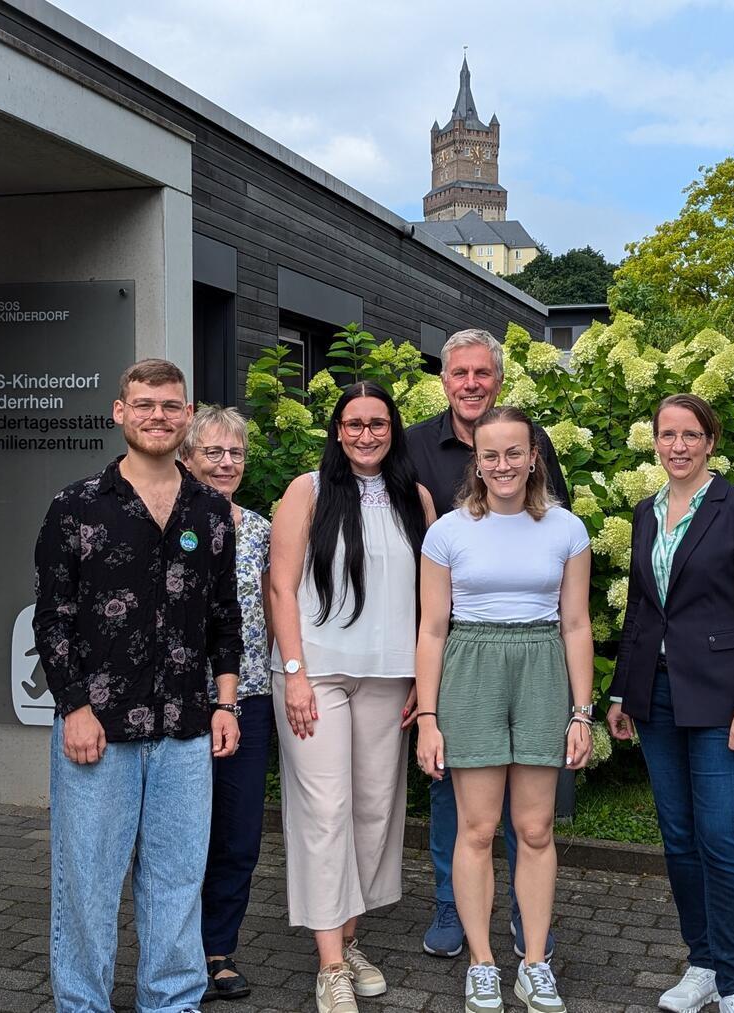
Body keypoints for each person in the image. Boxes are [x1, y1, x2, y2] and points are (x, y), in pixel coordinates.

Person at [33, 358, 242, 1013]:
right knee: (87, 882)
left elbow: (223, 614)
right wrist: (73, 707)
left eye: (170, 405)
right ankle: (82, 1002)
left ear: (186, 416)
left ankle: (172, 1001)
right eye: (144, 403)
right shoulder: (75, 506)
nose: (158, 414)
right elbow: (53, 614)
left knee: (177, 879)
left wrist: (226, 701)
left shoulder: (210, 510)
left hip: (185, 726)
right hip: (99, 727)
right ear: (120, 412)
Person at [414, 406, 593, 1013]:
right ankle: (483, 963)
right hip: (472, 668)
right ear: (477, 461)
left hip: (542, 666)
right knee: (475, 828)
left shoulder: (566, 528)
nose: (503, 465)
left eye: (514, 452)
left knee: (536, 829)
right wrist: (429, 718)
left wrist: (581, 712)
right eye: (490, 455)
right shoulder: (448, 532)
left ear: (533, 455)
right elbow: (433, 630)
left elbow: (575, 623)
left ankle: (534, 963)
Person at [605, 393, 734, 1013]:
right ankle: (700, 961)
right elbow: (641, 611)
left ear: (711, 441)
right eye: (667, 435)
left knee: (719, 836)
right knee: (677, 836)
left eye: (690, 435)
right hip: (657, 696)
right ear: (654, 441)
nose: (677, 446)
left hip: (722, 698)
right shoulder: (645, 512)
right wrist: (622, 690)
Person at [268, 380, 435, 1013]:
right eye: (353, 423)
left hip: (390, 678)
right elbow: (281, 589)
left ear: (393, 429)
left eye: (377, 423)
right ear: (337, 431)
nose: (366, 433)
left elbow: (431, 599)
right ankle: (330, 964)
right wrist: (294, 671)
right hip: (318, 677)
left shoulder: (413, 498)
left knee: (373, 812)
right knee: (325, 810)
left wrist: (424, 679)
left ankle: (349, 936)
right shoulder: (306, 491)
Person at [405, 328, 569, 961]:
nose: (470, 382)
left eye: (482, 373)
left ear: (497, 380)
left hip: (527, 653)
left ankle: (527, 920)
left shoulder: (535, 442)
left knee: (529, 813)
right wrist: (422, 686)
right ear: (444, 380)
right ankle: (454, 907)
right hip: (449, 643)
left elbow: (550, 535)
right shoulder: (416, 445)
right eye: (459, 373)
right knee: (454, 791)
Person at [184, 406, 272, 1003]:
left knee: (238, 832)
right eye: (213, 452)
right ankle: (176, 950)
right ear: (188, 459)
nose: (225, 463)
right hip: (180, 703)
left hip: (252, 696)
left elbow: (275, 609)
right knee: (180, 832)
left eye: (235, 453)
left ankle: (219, 950)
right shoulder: (171, 522)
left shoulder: (262, 529)